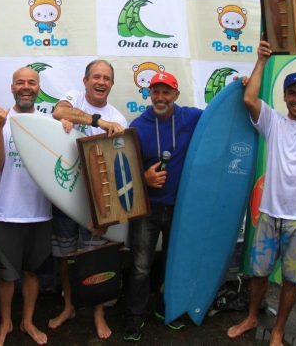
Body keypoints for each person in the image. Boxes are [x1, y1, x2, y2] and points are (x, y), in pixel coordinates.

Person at [227, 42, 296, 346]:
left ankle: (277, 330)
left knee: (291, 280)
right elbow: (249, 98)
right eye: (293, 93)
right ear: (285, 96)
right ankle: (251, 317)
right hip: (270, 213)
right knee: (258, 273)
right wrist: (261, 60)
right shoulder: (273, 121)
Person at [49, 59, 127, 340]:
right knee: (65, 257)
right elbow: (58, 111)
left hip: (97, 201)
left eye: (107, 78)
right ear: (85, 81)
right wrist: (97, 122)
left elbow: (120, 169)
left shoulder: (119, 120)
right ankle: (69, 306)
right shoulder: (74, 99)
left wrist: (109, 212)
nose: (101, 82)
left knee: (95, 258)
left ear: (112, 84)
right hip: (64, 192)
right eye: (96, 76)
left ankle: (98, 314)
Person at [123, 71, 202, 342]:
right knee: (141, 266)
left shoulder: (190, 118)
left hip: (180, 208)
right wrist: (143, 178)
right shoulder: (137, 126)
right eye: (155, 91)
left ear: (176, 95)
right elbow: (124, 172)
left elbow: (219, 117)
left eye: (166, 92)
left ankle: (165, 309)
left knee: (173, 263)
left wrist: (242, 88)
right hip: (146, 209)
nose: (160, 97)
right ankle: (134, 317)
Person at [0, 67, 52, 346]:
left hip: (41, 213)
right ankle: (6, 323)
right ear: (12, 87)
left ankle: (27, 321)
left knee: (33, 272)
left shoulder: (49, 124)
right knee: (5, 277)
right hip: (6, 213)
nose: (26, 87)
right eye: (20, 82)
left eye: (32, 82)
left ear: (38, 88)